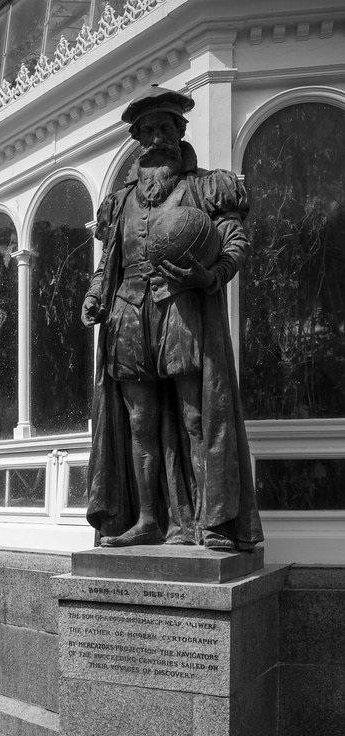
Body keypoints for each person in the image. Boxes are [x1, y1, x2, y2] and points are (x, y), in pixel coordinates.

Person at [81, 86, 263, 552]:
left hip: (180, 309)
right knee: (139, 420)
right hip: (127, 313)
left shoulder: (205, 187)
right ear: (138, 140)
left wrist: (209, 276)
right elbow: (109, 263)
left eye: (165, 127)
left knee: (195, 415)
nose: (157, 137)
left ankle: (211, 521)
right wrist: (96, 294)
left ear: (180, 132)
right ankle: (146, 519)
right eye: (147, 130)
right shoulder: (121, 201)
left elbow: (234, 242)